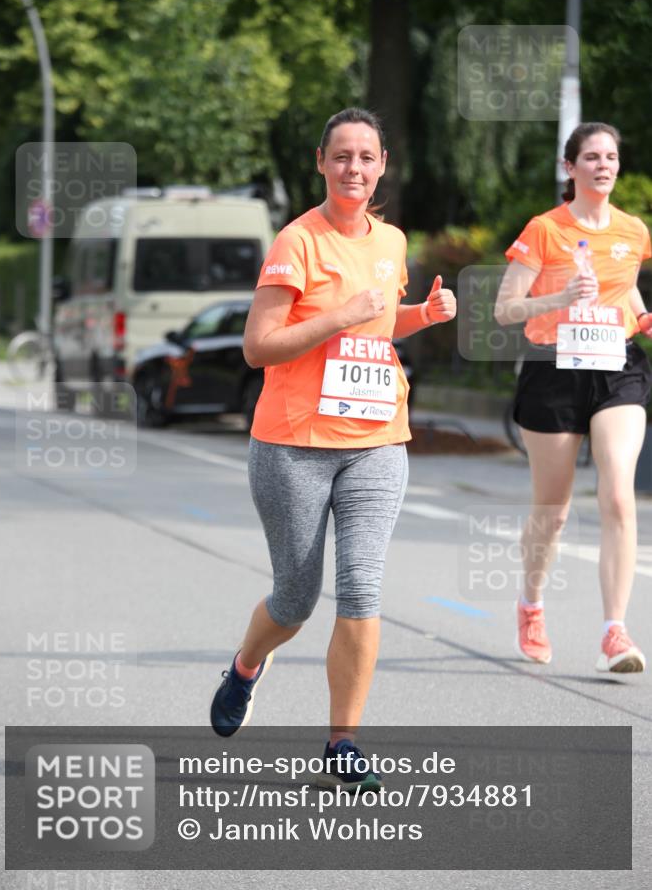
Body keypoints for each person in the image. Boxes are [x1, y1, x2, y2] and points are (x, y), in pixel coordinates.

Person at [210, 107, 456, 788]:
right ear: (321, 162)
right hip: (293, 442)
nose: (354, 168)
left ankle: (342, 740)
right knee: (295, 597)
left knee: (361, 589)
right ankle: (245, 666)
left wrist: (419, 317)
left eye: (366, 157)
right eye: (341, 156)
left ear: (382, 167)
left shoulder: (393, 241)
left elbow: (376, 330)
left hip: (377, 439)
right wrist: (336, 315)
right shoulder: (297, 242)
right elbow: (258, 347)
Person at [495, 122, 652, 673]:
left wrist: (644, 319)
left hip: (617, 368)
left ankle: (615, 631)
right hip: (554, 368)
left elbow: (627, 291)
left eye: (611, 156)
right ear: (570, 168)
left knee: (616, 495)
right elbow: (505, 309)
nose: (603, 165)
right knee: (553, 512)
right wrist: (559, 296)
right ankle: (531, 603)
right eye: (591, 156)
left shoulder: (634, 231)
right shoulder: (544, 230)